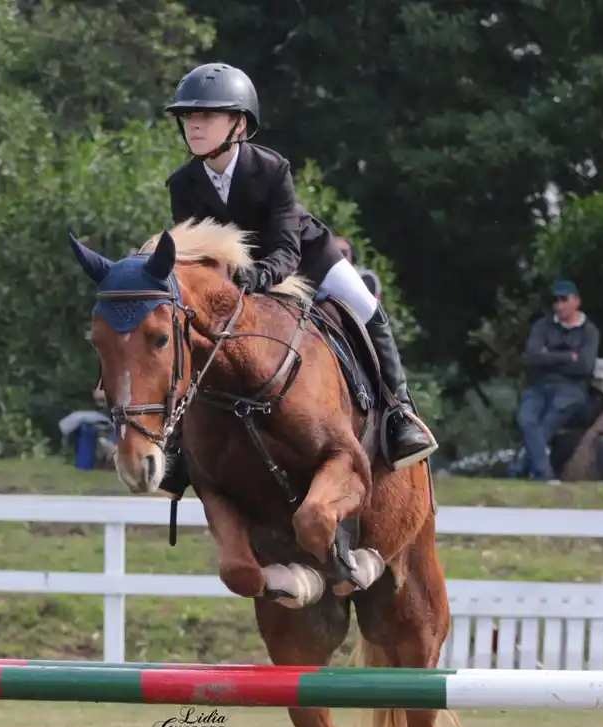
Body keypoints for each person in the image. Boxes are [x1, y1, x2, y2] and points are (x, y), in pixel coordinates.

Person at [162, 62, 436, 482]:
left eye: (206, 116)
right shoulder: (182, 184)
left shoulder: (271, 169)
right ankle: (179, 439)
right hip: (233, 282)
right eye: (189, 118)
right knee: (186, 329)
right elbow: (194, 256)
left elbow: (287, 250)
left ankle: (400, 414)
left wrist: (257, 277)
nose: (194, 127)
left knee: (367, 309)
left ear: (238, 123)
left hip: (305, 260)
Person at [514, 279, 601, 482]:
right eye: (555, 300)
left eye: (564, 299)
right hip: (540, 385)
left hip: (571, 388)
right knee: (525, 418)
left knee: (551, 419)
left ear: (576, 301)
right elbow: (532, 358)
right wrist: (566, 356)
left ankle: (533, 471)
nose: (559, 305)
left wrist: (549, 355)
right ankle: (535, 471)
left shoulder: (589, 331)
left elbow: (584, 367)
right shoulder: (543, 326)